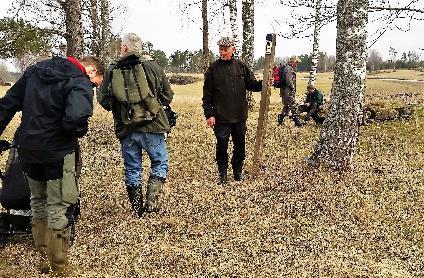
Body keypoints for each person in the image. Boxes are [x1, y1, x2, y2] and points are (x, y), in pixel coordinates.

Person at [0, 55, 104, 275]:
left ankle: (43, 259)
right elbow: (77, 117)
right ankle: (59, 265)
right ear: (92, 71)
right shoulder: (78, 79)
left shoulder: (34, 72)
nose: (93, 87)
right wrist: (74, 131)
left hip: (27, 151)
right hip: (57, 152)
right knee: (59, 205)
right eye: (96, 83)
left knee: (37, 202)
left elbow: (7, 105)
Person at [97, 33, 173, 215]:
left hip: (126, 128)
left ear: (124, 48)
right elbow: (167, 96)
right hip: (153, 126)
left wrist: (122, 110)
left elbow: (103, 100)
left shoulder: (112, 69)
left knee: (132, 167)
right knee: (160, 162)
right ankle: (152, 204)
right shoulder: (153, 66)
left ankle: (137, 209)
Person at [202, 36, 262, 185]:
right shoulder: (213, 69)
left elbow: (251, 84)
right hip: (221, 117)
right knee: (222, 146)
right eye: (220, 50)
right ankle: (222, 174)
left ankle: (237, 172)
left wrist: (265, 83)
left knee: (240, 146)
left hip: (240, 117)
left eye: (225, 50)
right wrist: (209, 114)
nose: (222, 53)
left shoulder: (241, 66)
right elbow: (207, 95)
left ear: (233, 49)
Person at [277, 55, 304, 127]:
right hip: (288, 91)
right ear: (292, 61)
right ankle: (298, 122)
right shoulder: (289, 69)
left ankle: (280, 120)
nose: (297, 64)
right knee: (293, 105)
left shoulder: (286, 68)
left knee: (286, 106)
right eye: (297, 62)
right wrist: (292, 88)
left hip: (284, 91)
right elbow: (288, 80)